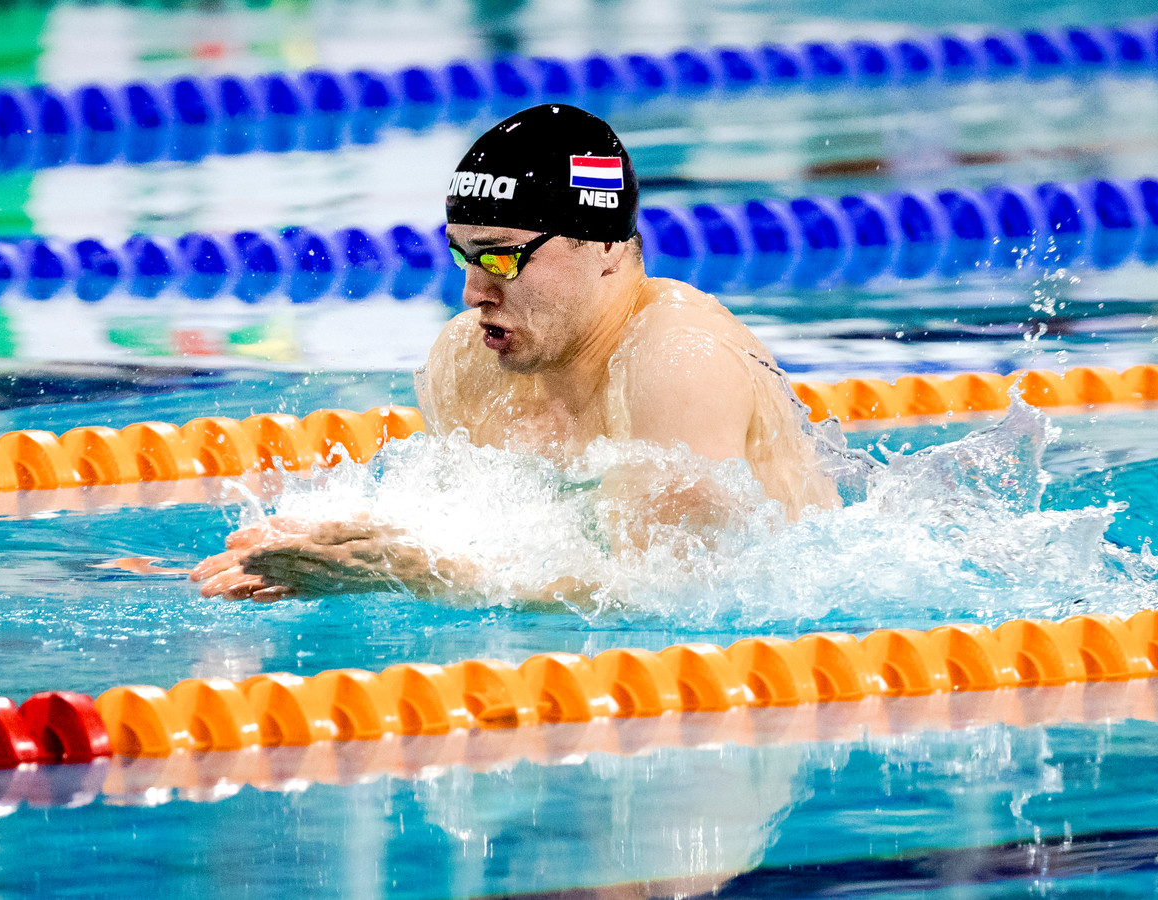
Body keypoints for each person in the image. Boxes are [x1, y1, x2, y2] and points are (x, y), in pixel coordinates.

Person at [193, 104, 842, 602]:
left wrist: (423, 574)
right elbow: (498, 533)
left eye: (502, 257)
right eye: (464, 257)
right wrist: (344, 550)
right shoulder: (469, 360)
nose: (474, 293)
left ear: (605, 246)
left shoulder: (677, 361)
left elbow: (674, 596)